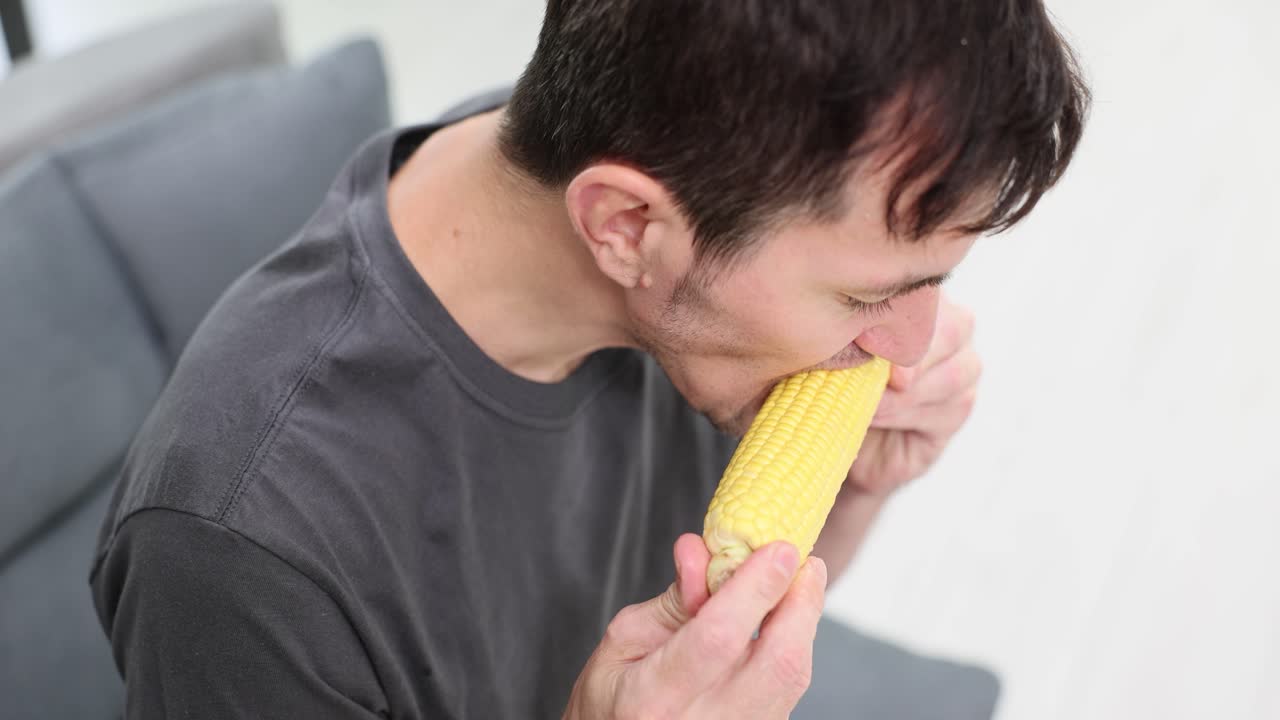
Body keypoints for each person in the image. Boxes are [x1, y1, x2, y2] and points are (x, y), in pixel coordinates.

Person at [90, 1, 1088, 717]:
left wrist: (854, 485)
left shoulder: (661, 192)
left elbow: (728, 629)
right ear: (626, 227)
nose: (912, 342)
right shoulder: (240, 549)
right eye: (868, 297)